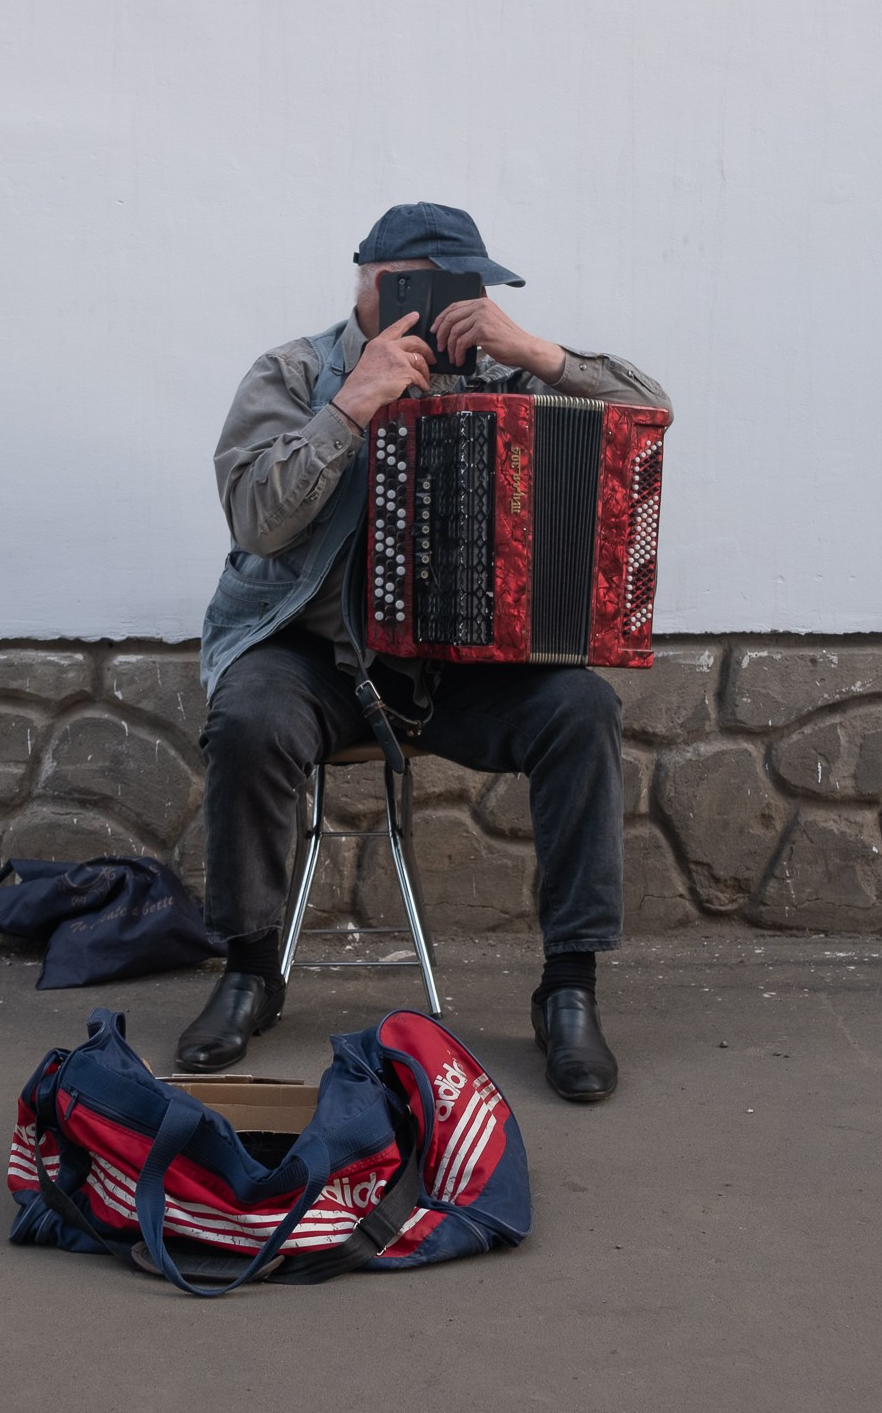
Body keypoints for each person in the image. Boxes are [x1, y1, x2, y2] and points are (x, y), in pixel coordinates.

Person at [180, 203, 671, 1102]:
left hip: (462, 673)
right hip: (316, 660)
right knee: (249, 713)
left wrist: (540, 356)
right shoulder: (291, 374)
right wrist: (352, 404)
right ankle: (250, 969)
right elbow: (256, 516)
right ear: (375, 282)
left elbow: (650, 417)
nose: (457, 305)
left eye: (470, 288)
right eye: (432, 284)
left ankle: (569, 990)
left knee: (582, 710)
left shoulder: (499, 375)